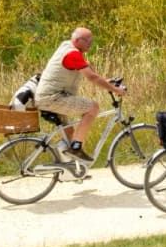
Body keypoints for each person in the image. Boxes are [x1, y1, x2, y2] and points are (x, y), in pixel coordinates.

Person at [32, 26, 126, 163]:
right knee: (93, 108)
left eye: (91, 40)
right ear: (77, 40)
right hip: (52, 98)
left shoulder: (67, 46)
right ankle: (76, 148)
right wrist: (115, 90)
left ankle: (73, 169)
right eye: (87, 40)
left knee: (69, 132)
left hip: (48, 97)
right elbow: (92, 78)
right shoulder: (73, 54)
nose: (90, 43)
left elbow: (89, 72)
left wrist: (106, 82)